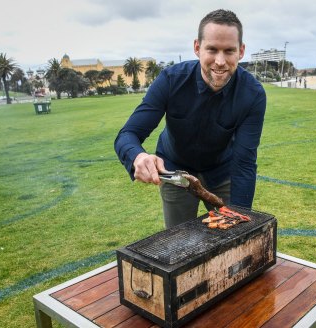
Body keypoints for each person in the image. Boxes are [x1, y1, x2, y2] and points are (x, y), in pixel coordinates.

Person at [114, 9, 267, 228]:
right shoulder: (170, 80)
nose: (220, 61)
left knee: (231, 236)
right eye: (212, 49)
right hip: (176, 171)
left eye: (229, 51)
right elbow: (128, 134)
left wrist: (240, 219)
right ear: (197, 47)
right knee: (178, 242)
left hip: (223, 172)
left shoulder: (252, 94)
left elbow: (244, 163)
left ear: (241, 51)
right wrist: (137, 156)